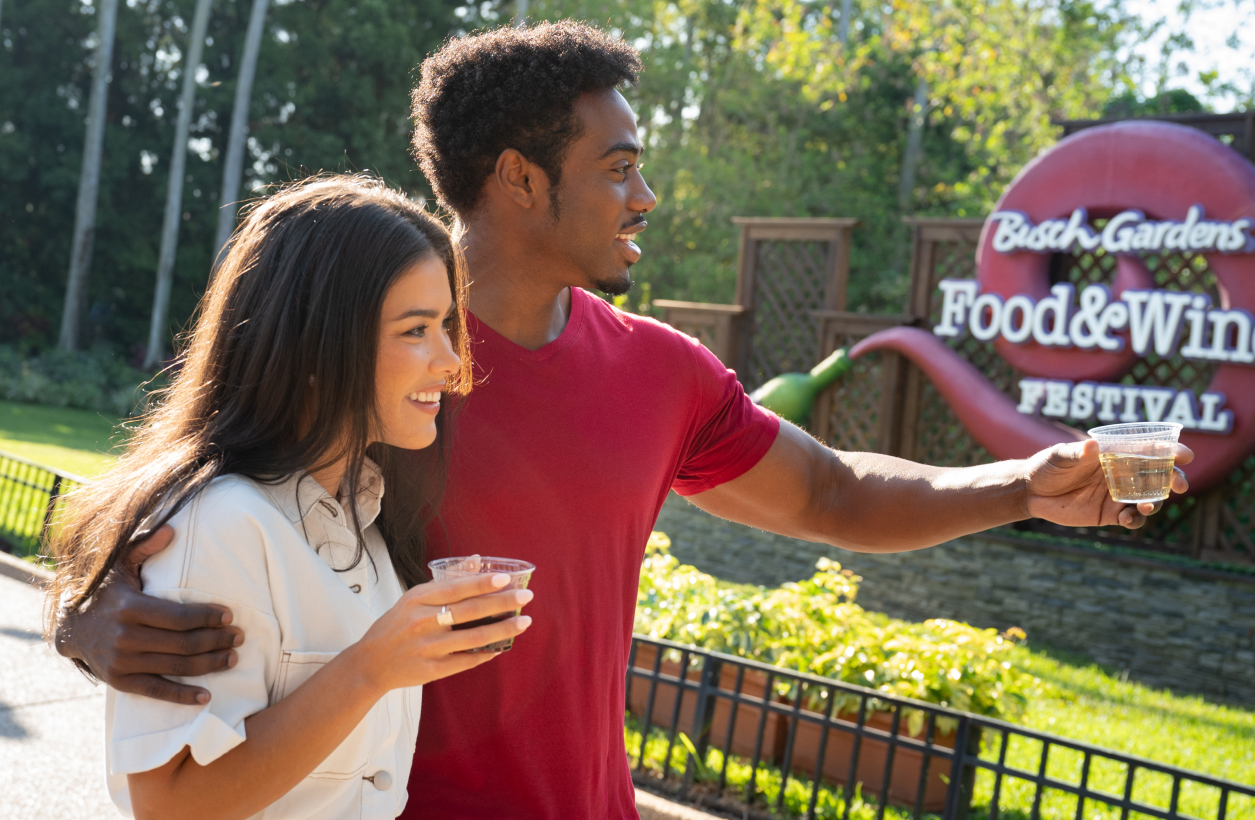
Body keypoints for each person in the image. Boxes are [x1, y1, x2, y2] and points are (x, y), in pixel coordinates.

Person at [53, 22, 1192, 820]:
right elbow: (202, 482)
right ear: (520, 180)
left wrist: (1019, 485)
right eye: (620, 166)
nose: (646, 197)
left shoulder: (659, 373)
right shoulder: (370, 349)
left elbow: (833, 491)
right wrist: (89, 605)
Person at [45, 176, 533, 820]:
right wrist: (370, 669)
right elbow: (169, 807)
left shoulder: (372, 525)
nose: (453, 363)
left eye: (446, 325)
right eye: (416, 329)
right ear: (315, 340)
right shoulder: (214, 525)